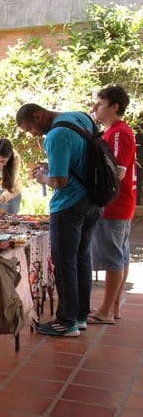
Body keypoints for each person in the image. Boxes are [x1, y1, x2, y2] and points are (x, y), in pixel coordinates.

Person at [16, 103, 102, 337]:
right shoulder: (81, 118)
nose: (33, 134)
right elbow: (79, 160)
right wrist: (51, 167)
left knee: (64, 262)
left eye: (30, 128)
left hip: (69, 206)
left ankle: (66, 321)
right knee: (82, 257)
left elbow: (60, 181)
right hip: (94, 200)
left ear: (38, 115)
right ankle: (80, 315)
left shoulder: (55, 135)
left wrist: (44, 177)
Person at [88, 86, 138, 324]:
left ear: (114, 106)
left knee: (113, 258)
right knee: (120, 255)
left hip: (114, 204)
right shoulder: (115, 132)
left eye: (100, 103)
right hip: (120, 203)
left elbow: (115, 171)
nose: (95, 108)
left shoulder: (118, 132)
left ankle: (106, 310)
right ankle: (112, 307)